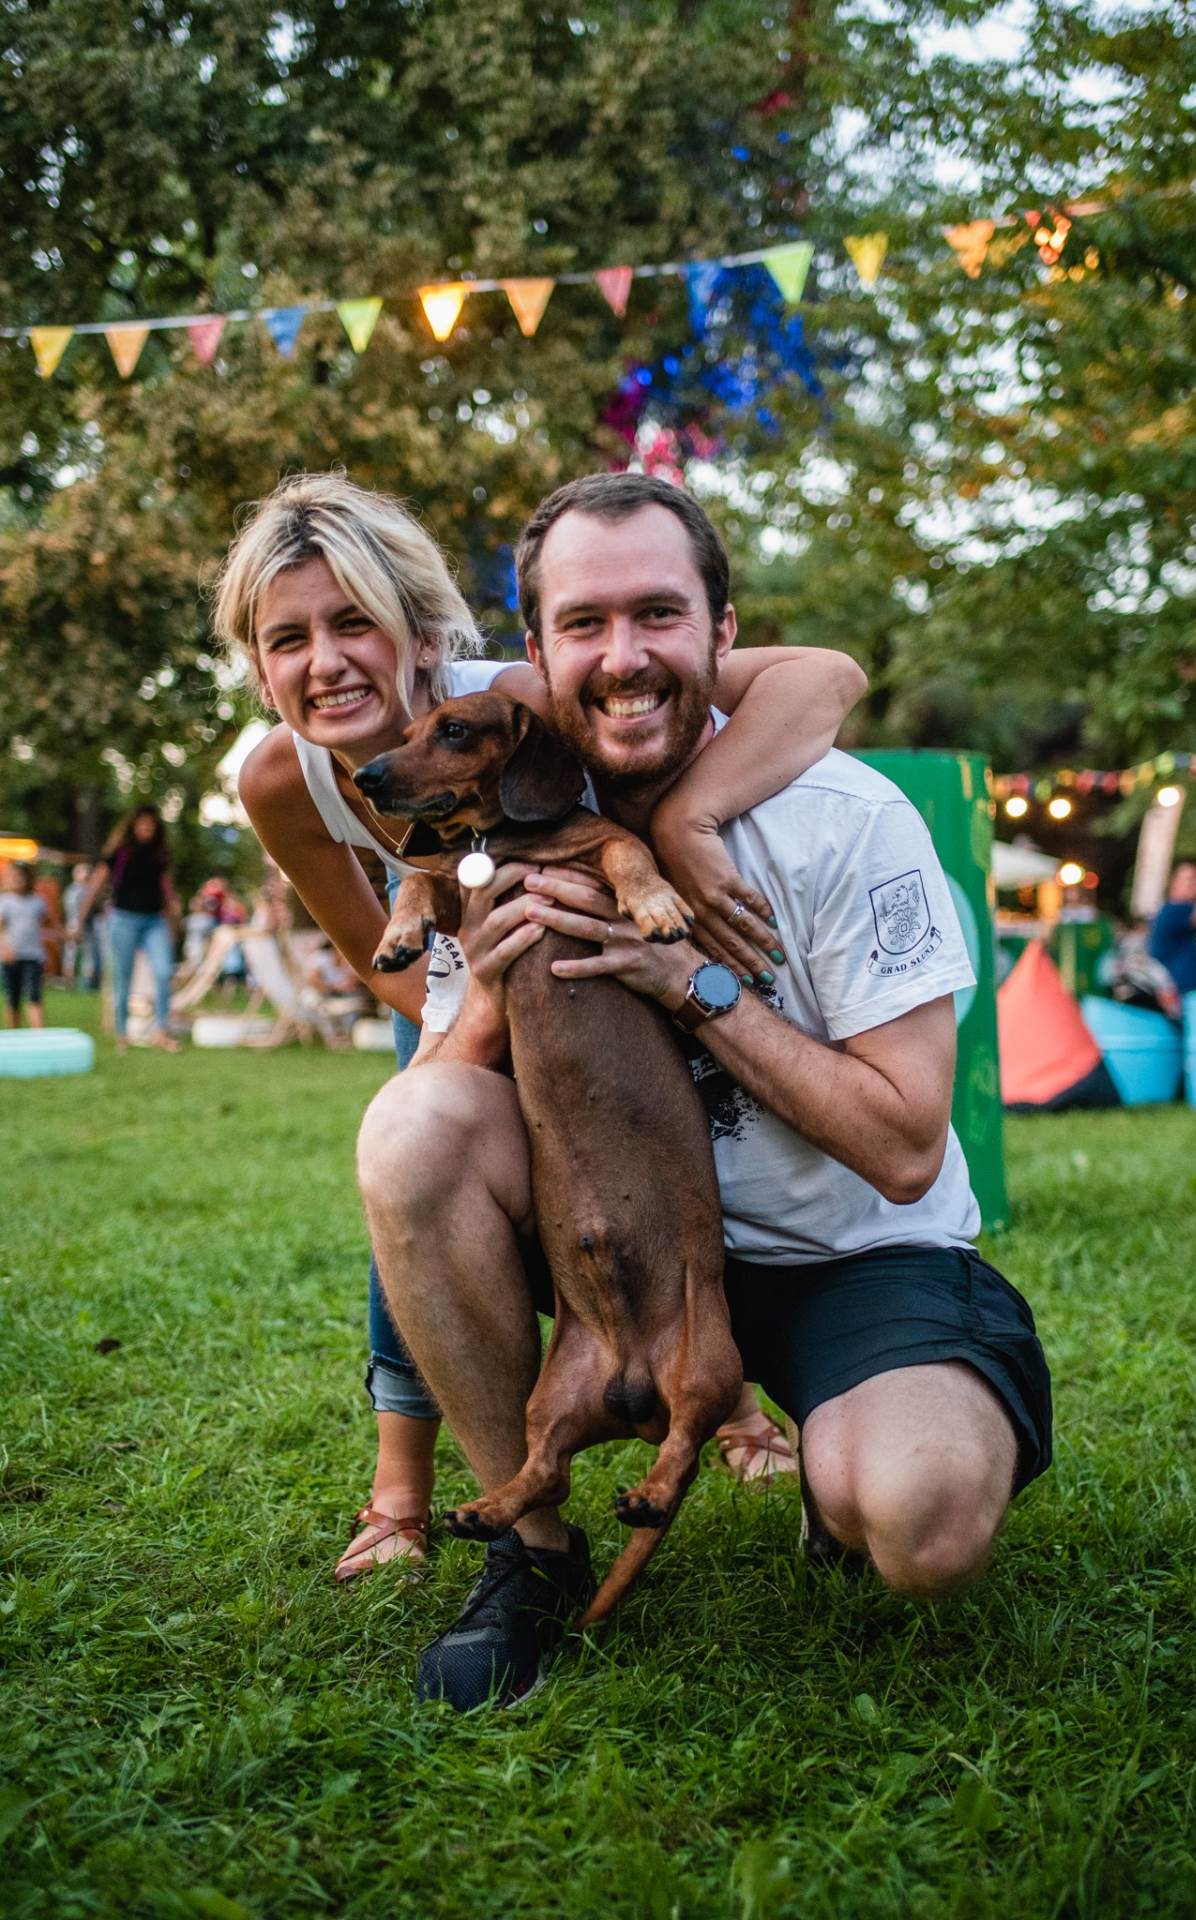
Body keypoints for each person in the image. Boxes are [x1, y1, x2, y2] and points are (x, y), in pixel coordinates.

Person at [355, 472, 1053, 1712]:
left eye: (659, 614)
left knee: (923, 1523)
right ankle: (533, 1552)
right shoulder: (507, 823)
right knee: (411, 1128)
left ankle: (851, 1448)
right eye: (584, 623)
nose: (623, 657)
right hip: (615, 1245)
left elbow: (905, 1149)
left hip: (846, 1255)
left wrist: (693, 984)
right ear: (535, 658)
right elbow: (441, 1110)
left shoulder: (848, 819)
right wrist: (493, 987)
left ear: (722, 633)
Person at [212, 471, 867, 1581]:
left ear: (422, 634)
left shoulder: (526, 697)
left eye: (354, 622)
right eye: (286, 639)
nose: (324, 662)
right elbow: (374, 955)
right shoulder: (283, 780)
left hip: (599, 959)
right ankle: (411, 1494)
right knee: (410, 1147)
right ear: (257, 665)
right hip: (468, 965)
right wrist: (467, 1025)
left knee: (640, 1177)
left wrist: (688, 817)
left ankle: (729, 1406)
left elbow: (827, 676)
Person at [73, 805, 182, 1052]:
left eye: (151, 824)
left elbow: (166, 888)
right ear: (133, 826)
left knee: (164, 972)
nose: (147, 828)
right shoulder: (119, 852)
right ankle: (122, 1034)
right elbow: (95, 886)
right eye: (143, 823)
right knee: (124, 977)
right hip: (123, 919)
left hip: (154, 921)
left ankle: (161, 1031)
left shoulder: (159, 854)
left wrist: (175, 916)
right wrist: (80, 921)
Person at [1147, 859, 1196, 1001]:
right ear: (1174, 882)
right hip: (1180, 998)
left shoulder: (1188, 915)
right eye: (1191, 879)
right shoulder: (1173, 910)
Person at [0, 864, 50, 1030]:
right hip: (12, 956)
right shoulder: (5, 901)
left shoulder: (38, 901)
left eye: (22, 876)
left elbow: (49, 924)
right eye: (15, 876)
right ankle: (14, 1033)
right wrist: (4, 949)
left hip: (33, 955)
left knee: (34, 994)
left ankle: (38, 1033)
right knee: (13, 997)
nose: (19, 880)